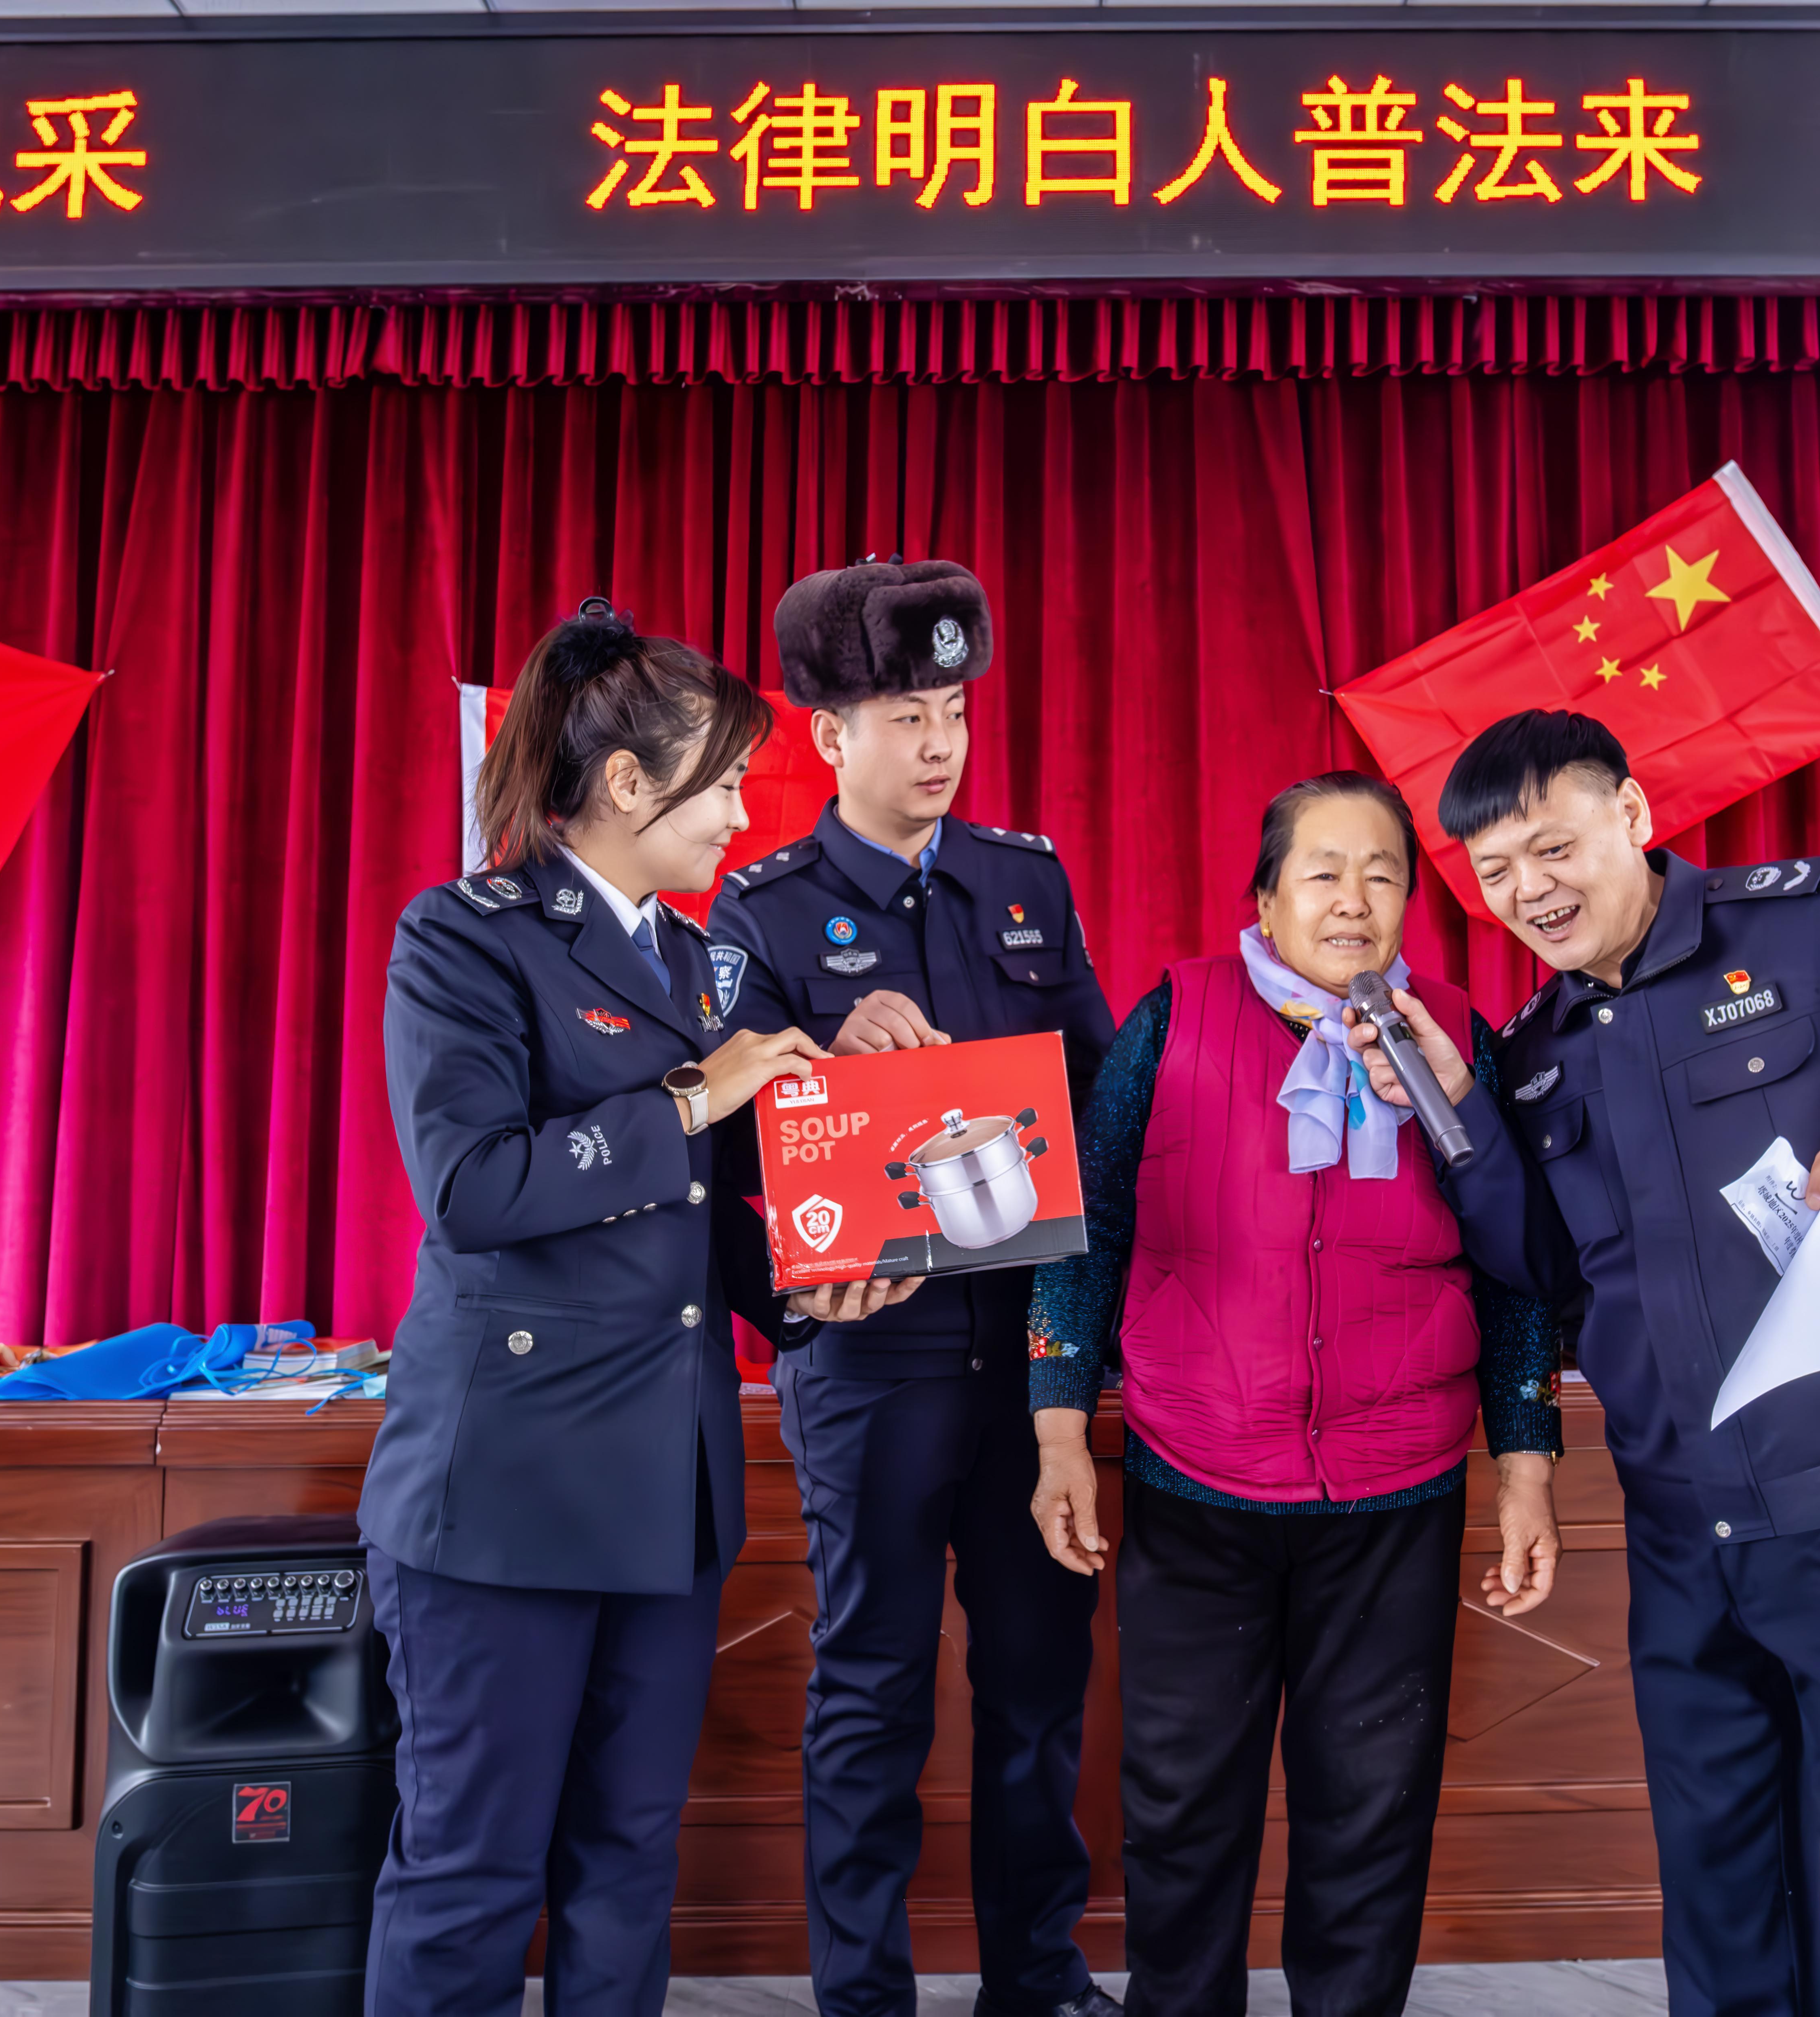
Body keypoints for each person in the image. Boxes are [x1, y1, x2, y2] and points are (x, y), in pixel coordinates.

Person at [1350, 711, 1820, 2017]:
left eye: (1552, 848)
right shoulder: (1539, 1052)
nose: (1529, 892)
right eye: (1495, 873)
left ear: (1631, 813)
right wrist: (1460, 1114)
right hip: (1683, 1529)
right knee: (1725, 1904)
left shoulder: (1811, 925)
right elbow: (1544, 1270)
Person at [364, 600, 918, 2017]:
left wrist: (816, 1286)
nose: (740, 814)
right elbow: (472, 1188)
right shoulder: (464, 937)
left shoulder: (695, 963)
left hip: (668, 1492)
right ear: (625, 783)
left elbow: (715, 1223)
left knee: (626, 1866)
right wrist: (690, 1095)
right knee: (473, 1872)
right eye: (723, 784)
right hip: (507, 1493)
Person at [1025, 772, 1565, 2017]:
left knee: (1372, 1814)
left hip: (1396, 1493)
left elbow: (1516, 1271)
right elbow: (1084, 1230)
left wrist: (1525, 1462)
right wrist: (1058, 1430)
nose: (1354, 901)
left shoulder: (1458, 1040)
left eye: (1383, 875)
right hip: (1196, 1483)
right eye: (1323, 873)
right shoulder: (1173, 1018)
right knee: (1181, 1807)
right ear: (1266, 899)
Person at [706, 559, 1121, 2017]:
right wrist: (826, 1073)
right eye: (905, 716)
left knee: (1038, 1681)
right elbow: (720, 1147)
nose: (940, 744)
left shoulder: (1027, 880)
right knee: (872, 1687)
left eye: (953, 711)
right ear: (829, 734)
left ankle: (1039, 1978)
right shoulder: (760, 913)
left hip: (1029, 1360)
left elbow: (1101, 1091)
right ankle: (863, 1995)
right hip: (869, 1361)